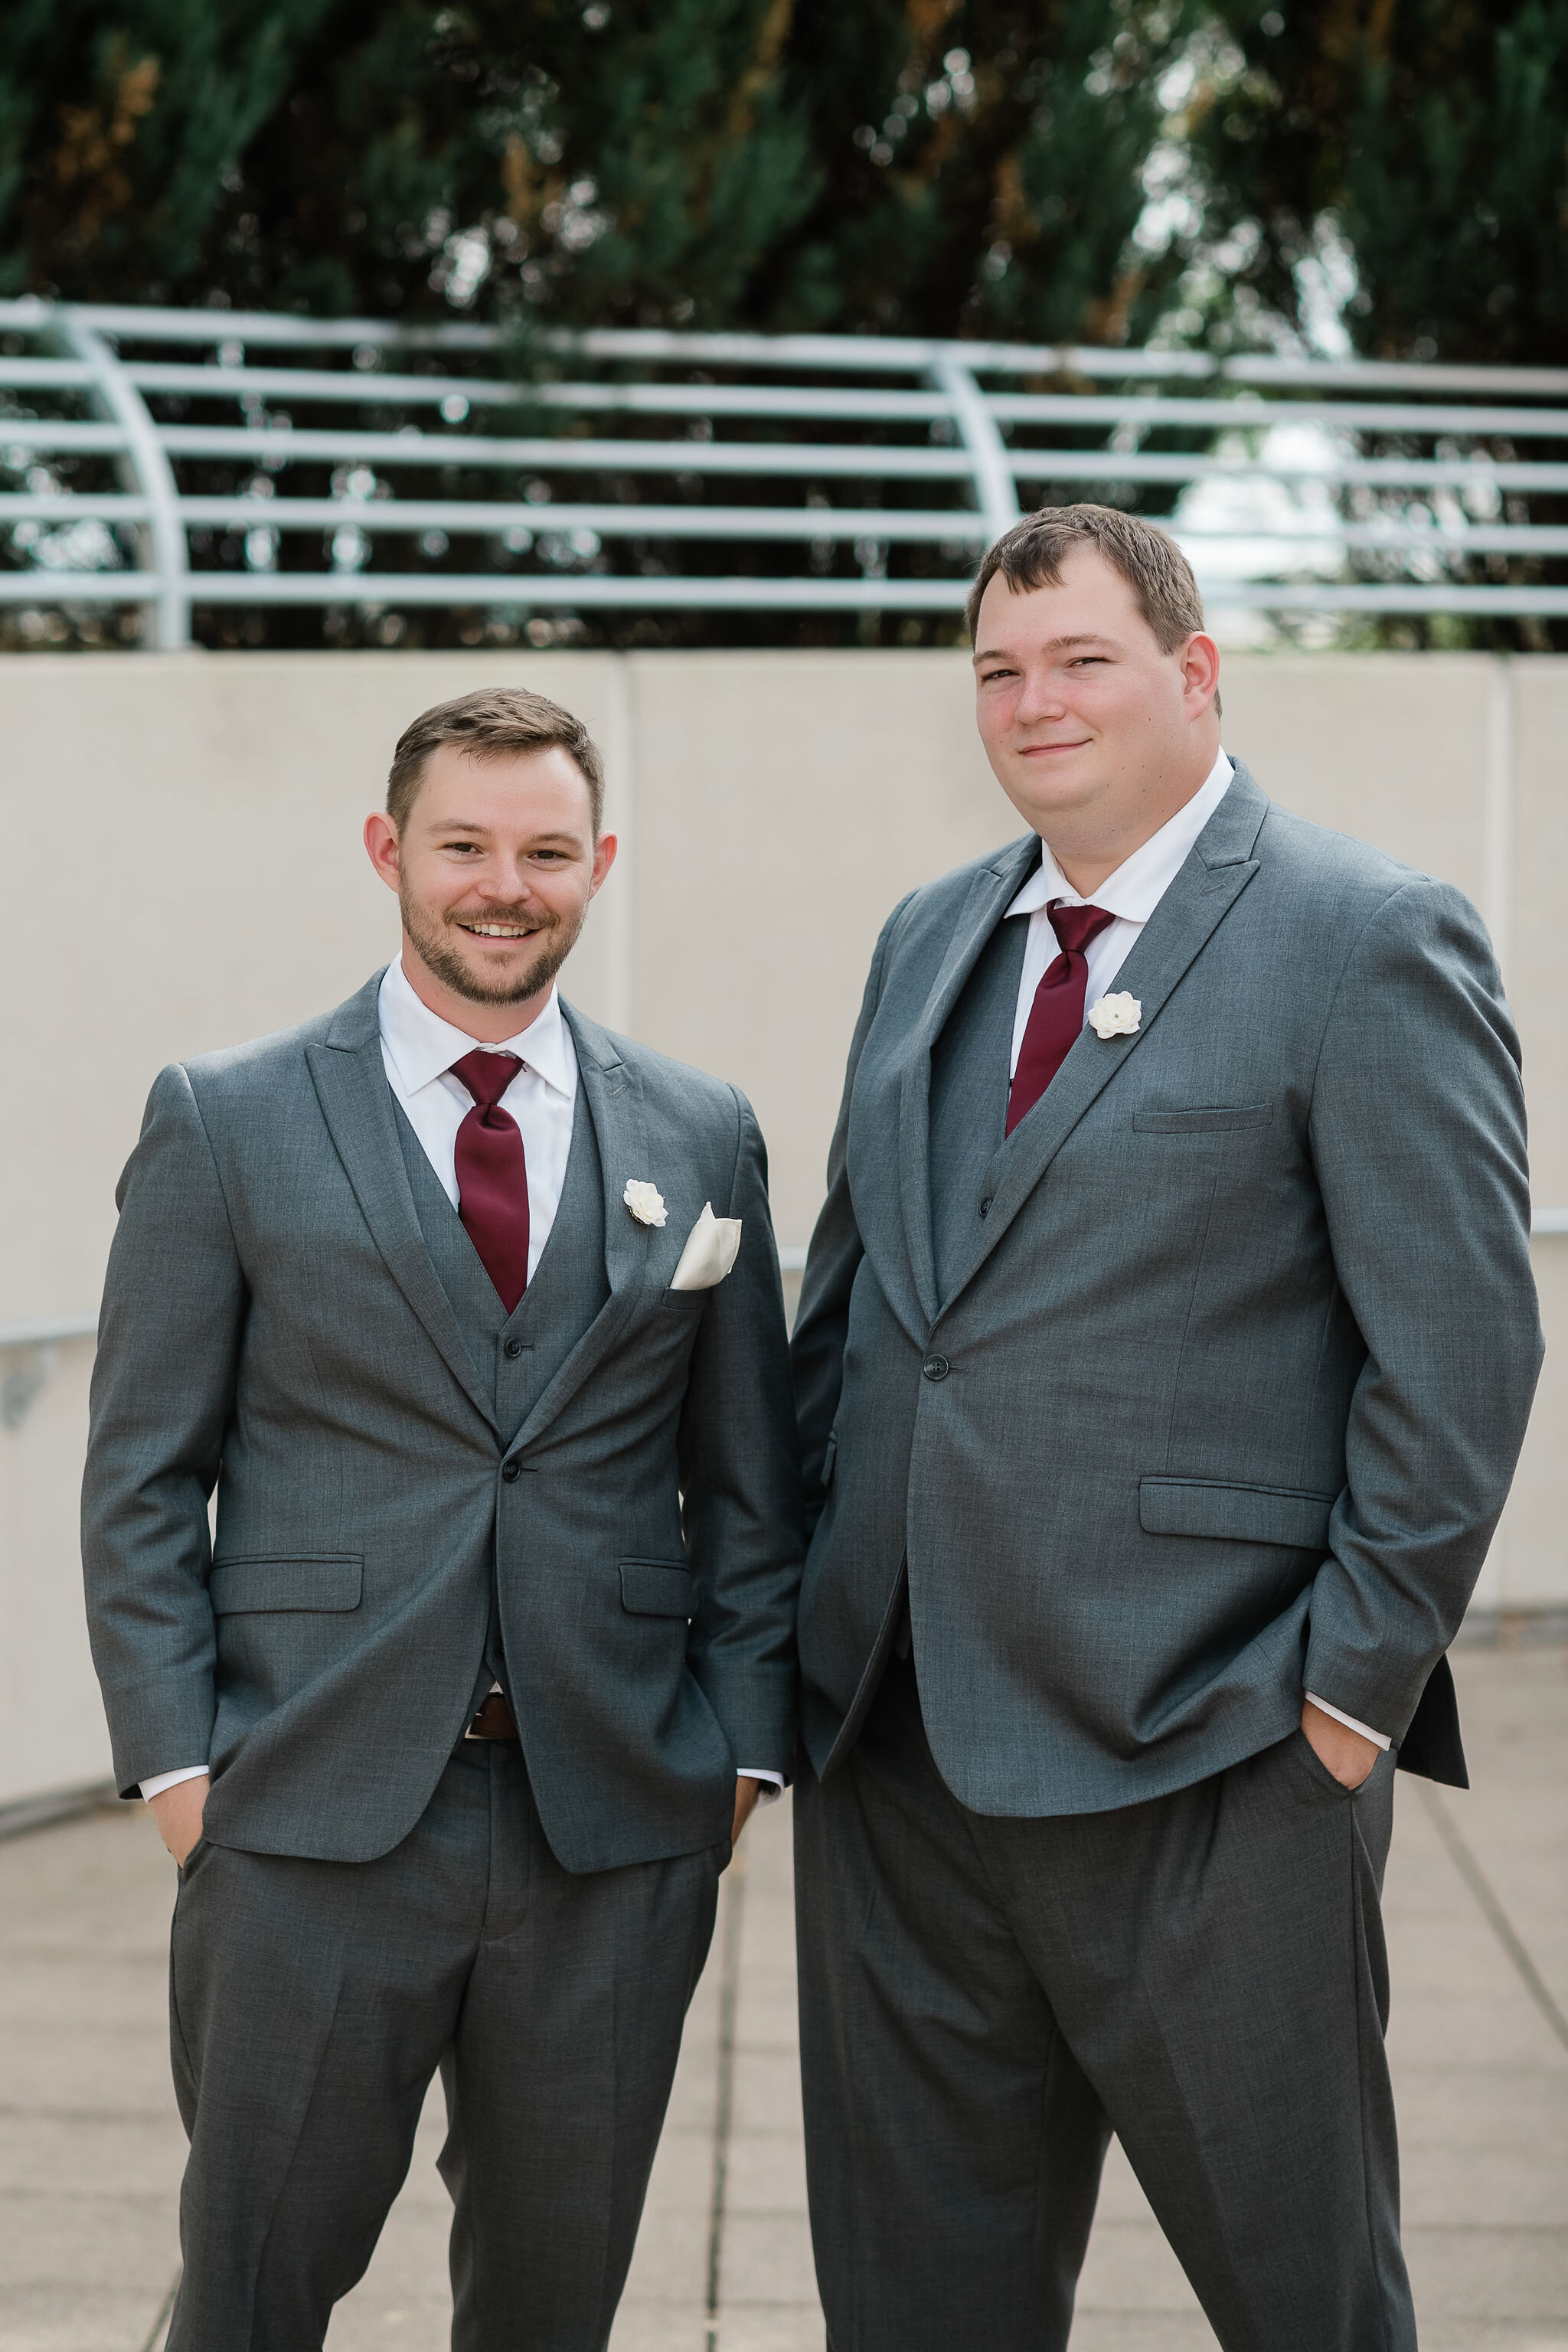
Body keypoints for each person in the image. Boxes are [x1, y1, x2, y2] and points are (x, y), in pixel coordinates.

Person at [789, 505, 1543, 2352]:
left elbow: (1455, 1352)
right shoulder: (927, 936)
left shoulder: (1362, 938)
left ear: (1194, 676)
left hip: (1208, 1763)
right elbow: (851, 1319)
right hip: (896, 1770)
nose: (1030, 703)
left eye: (1079, 661)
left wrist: (1343, 1708)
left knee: (1305, 2307)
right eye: (997, 671)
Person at [81, 687, 802, 2351]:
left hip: (610, 1827)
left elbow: (753, 1480)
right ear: (386, 849)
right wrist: (187, 1780)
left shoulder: (700, 1132)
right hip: (308, 1818)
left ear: (598, 864)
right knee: (253, 2290)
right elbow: (137, 1477)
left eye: (546, 851)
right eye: (464, 845)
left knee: (555, 2307)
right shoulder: (227, 1117)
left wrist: (738, 1761)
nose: (505, 884)